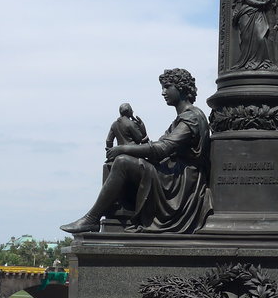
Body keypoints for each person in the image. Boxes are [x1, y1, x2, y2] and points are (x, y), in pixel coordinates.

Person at [61, 69, 210, 234]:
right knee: (122, 161)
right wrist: (143, 136)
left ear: (181, 88)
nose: (163, 92)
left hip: (178, 184)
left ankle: (92, 219)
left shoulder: (192, 118)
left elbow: (162, 149)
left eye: (167, 87)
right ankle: (105, 219)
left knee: (123, 161)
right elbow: (159, 145)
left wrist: (122, 148)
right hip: (171, 175)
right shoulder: (184, 118)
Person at [232, 0, 278, 69]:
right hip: (246, 13)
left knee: (261, 37)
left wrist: (271, 0)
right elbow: (249, 1)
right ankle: (247, 61)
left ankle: (264, 61)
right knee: (246, 39)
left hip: (259, 13)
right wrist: (263, 3)